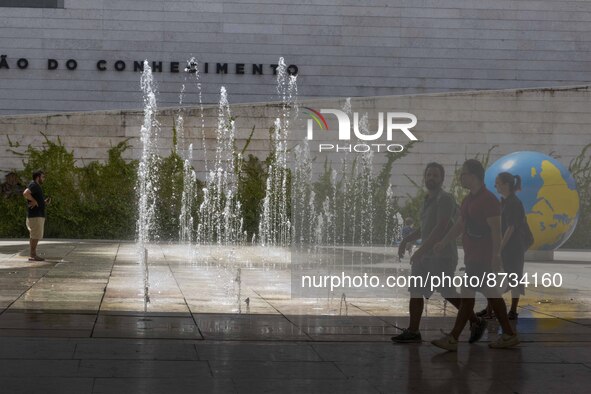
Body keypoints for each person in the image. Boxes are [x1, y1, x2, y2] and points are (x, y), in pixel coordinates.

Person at [391, 162, 487, 344]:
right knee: (416, 290)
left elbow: (441, 226)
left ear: (442, 179)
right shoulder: (428, 199)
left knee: (448, 291)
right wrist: (406, 239)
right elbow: (425, 227)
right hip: (426, 255)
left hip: (441, 255)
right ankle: (413, 331)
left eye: (435, 175)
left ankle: (476, 321)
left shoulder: (445, 199)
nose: (431, 178)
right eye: (428, 175)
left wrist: (420, 250)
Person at [431, 159, 519, 351]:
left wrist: (496, 256)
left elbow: (497, 230)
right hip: (473, 256)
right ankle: (509, 334)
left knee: (467, 294)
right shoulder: (469, 199)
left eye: (463, 173)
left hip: (482, 257)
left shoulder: (488, 200)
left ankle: (453, 338)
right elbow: (460, 225)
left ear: (473, 176)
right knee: (491, 294)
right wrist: (444, 241)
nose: (461, 177)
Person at [22, 169, 49, 262]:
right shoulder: (34, 184)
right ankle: (33, 255)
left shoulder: (35, 185)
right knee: (35, 235)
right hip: (36, 215)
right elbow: (25, 193)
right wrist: (34, 201)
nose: (44, 179)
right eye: (43, 177)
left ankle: (33, 254)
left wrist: (42, 202)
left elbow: (33, 197)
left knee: (34, 235)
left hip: (37, 215)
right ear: (38, 177)